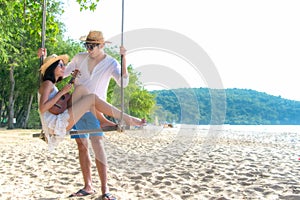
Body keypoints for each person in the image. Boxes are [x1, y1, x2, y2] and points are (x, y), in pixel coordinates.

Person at [38, 30, 133, 199]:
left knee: (98, 145)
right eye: (87, 45)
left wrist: (124, 58)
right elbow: (57, 74)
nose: (89, 49)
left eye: (93, 46)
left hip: (94, 109)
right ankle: (88, 186)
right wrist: (44, 59)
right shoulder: (79, 58)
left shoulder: (111, 63)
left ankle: (105, 190)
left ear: (102, 45)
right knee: (82, 147)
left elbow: (124, 83)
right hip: (76, 107)